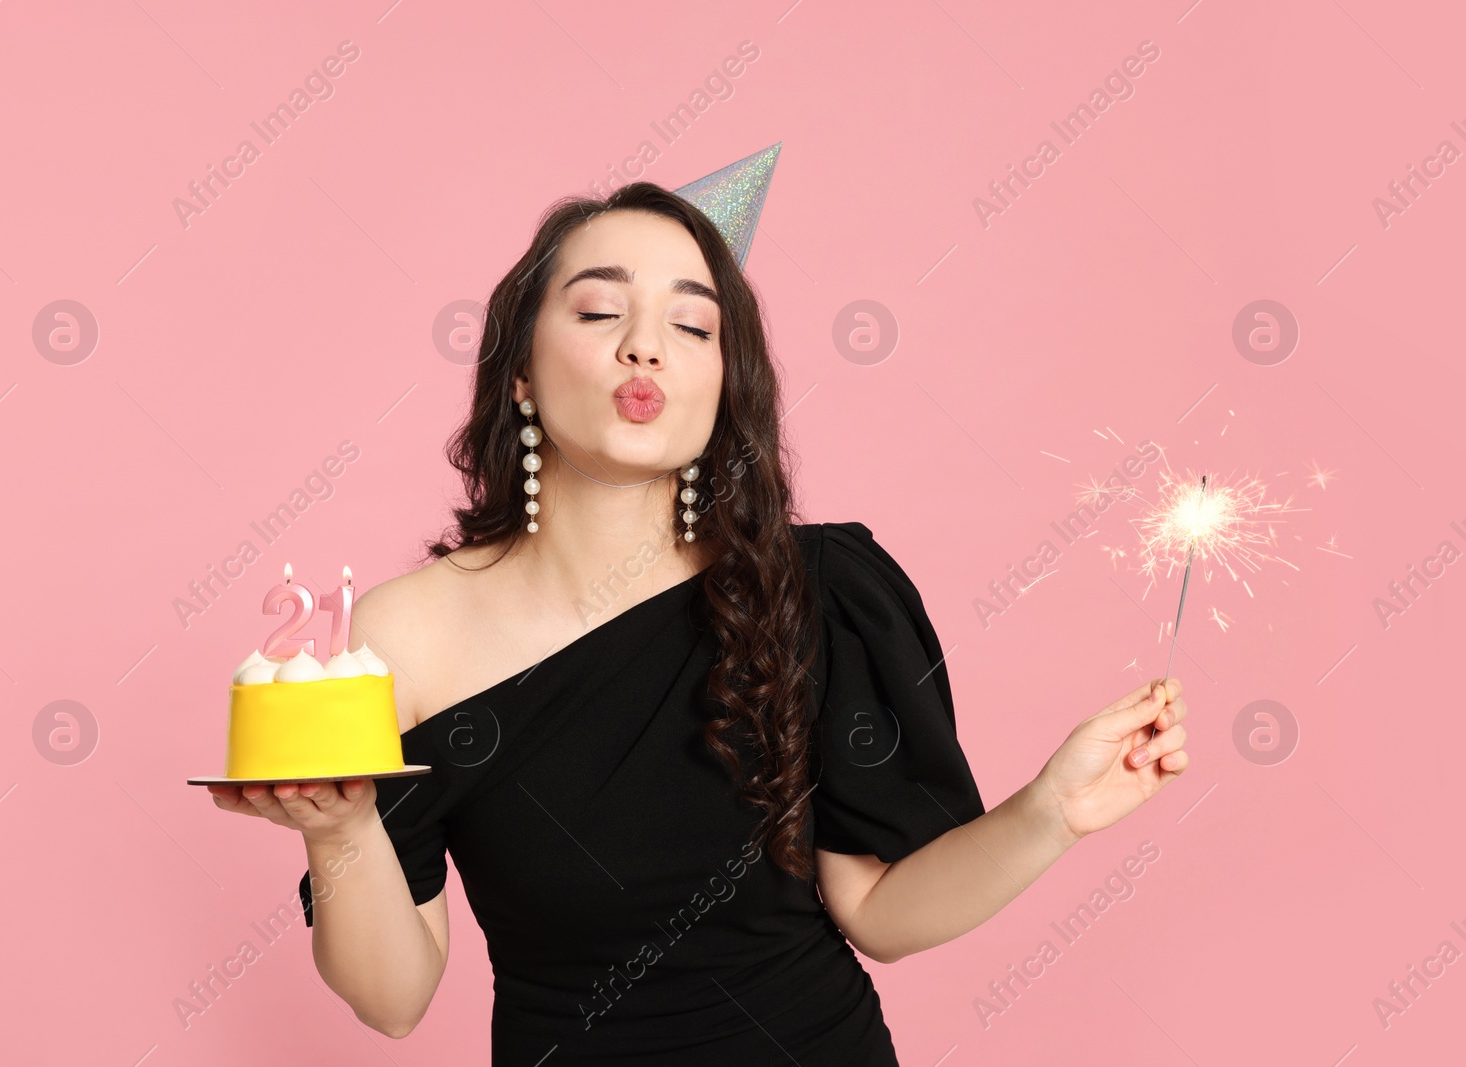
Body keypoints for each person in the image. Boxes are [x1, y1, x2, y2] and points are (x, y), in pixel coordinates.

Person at [207, 182, 1191, 1064]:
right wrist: (337, 831)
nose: (645, 345)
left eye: (691, 327)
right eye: (598, 310)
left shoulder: (814, 587)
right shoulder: (407, 632)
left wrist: (1050, 809)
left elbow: (880, 911)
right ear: (517, 375)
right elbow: (392, 998)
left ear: (722, 391)